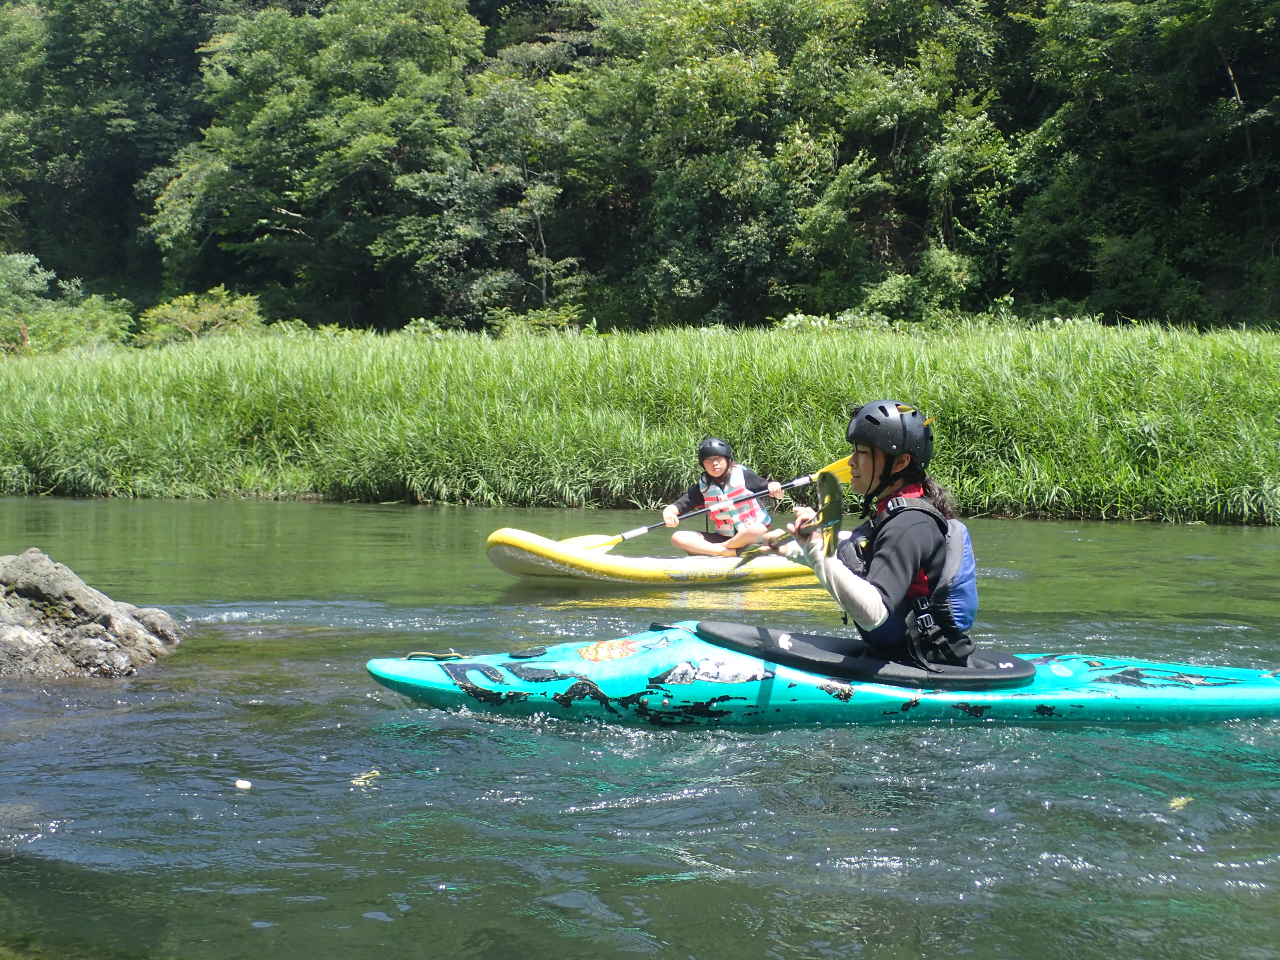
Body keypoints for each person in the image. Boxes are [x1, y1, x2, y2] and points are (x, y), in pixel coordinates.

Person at [769, 400, 978, 667]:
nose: (850, 463)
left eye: (862, 453)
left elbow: (873, 613)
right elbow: (853, 549)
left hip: (925, 665)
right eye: (852, 452)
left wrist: (816, 550)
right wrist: (788, 547)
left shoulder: (910, 524)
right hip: (901, 656)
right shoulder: (894, 512)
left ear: (900, 462)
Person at [662, 438, 785, 557]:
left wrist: (776, 488)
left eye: (718, 458)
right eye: (708, 460)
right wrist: (668, 513)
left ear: (727, 459)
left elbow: (779, 495)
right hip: (724, 536)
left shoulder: (743, 475)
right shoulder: (703, 487)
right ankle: (727, 552)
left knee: (764, 531)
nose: (714, 463)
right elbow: (676, 507)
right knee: (678, 537)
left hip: (751, 535)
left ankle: (719, 549)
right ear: (703, 464)